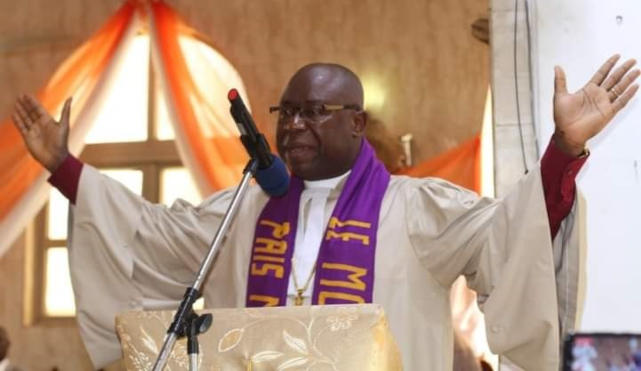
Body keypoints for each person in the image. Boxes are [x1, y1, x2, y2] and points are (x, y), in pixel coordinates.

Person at [12, 56, 639, 370]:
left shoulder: (415, 208)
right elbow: (149, 234)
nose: (294, 125)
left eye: (314, 111)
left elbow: (510, 233)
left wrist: (563, 151)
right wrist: (63, 166)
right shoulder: (241, 212)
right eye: (286, 112)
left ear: (357, 123)